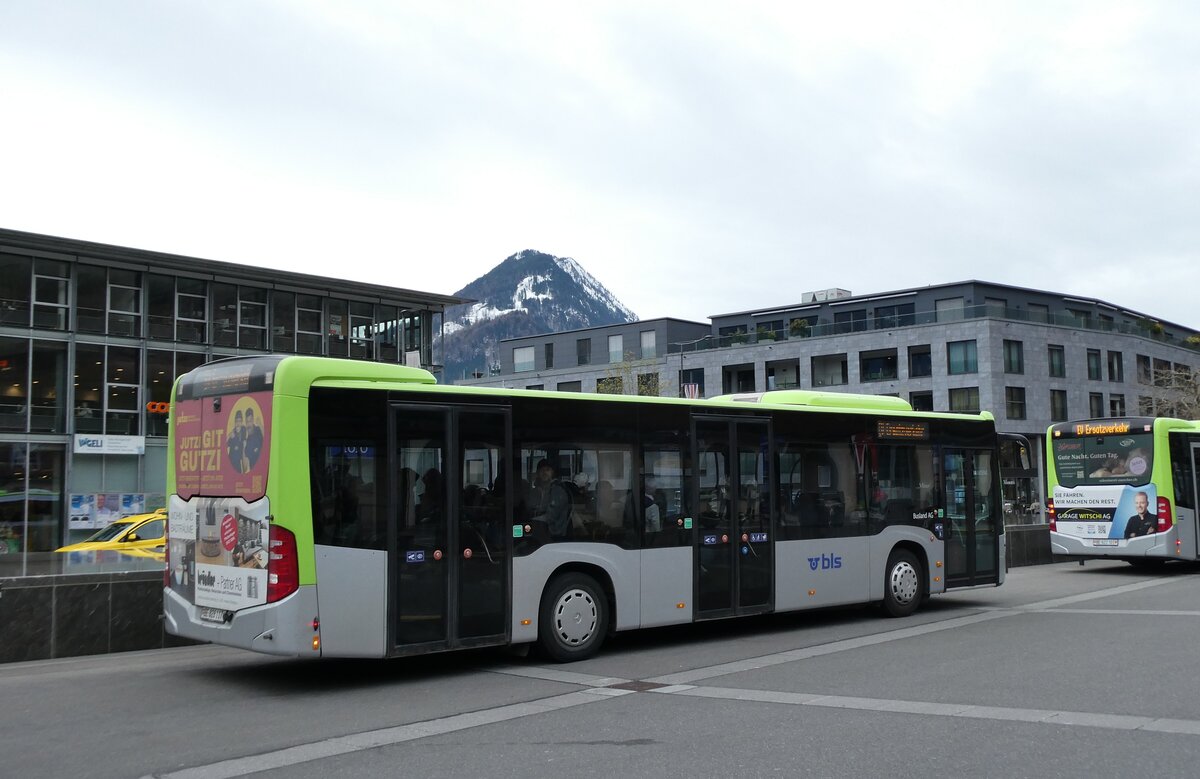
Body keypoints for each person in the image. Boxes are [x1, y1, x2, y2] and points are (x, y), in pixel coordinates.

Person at [527, 459, 572, 539]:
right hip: (535, 534)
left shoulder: (558, 491)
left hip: (556, 535)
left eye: (547, 470)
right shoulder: (533, 492)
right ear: (537, 473)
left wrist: (534, 519)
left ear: (552, 473)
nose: (545, 473)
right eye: (542, 470)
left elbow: (552, 515)